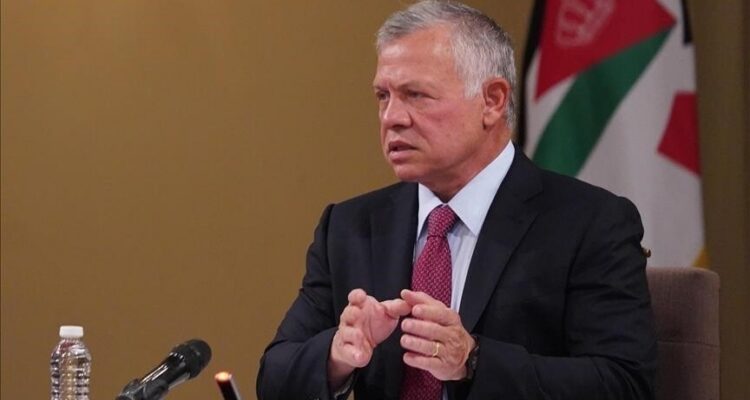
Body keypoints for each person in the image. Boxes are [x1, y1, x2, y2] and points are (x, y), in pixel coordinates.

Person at [256, 1, 656, 399]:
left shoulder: (589, 223)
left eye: (416, 95)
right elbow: (274, 376)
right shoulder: (350, 227)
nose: (391, 117)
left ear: (493, 101)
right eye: (383, 96)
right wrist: (337, 356)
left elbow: (624, 384)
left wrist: (473, 360)